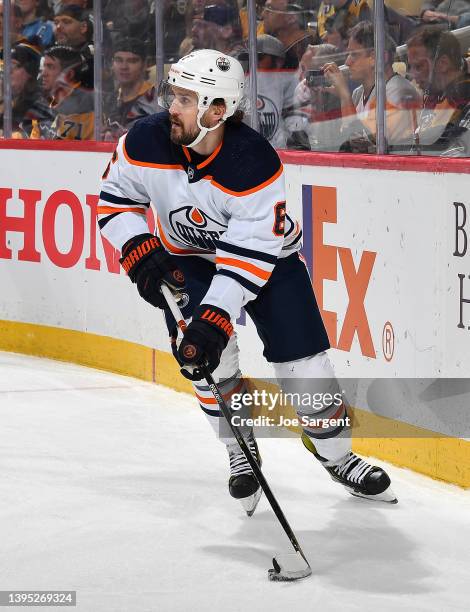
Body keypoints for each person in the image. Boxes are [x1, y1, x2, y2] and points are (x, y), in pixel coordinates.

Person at [97, 49, 397, 511]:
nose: (171, 107)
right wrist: (138, 246)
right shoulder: (144, 140)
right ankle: (240, 451)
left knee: (307, 371)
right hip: (188, 260)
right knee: (206, 361)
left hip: (267, 262)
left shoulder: (253, 162)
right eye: (173, 94)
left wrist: (214, 317)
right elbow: (115, 200)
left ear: (218, 110)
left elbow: (245, 258)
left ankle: (336, 454)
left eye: (185, 98)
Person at [323, 21, 421, 152]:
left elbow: (364, 145)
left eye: (354, 54)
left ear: (374, 58)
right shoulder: (359, 93)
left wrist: (344, 96)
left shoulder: (399, 91)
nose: (347, 62)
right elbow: (345, 141)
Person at [406, 26, 470, 155]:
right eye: (410, 66)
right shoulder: (434, 96)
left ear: (443, 63)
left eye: (418, 66)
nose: (412, 74)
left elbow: (456, 159)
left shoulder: (465, 100)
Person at [239, 34, 300, 148]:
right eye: (249, 58)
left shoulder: (289, 82)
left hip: (280, 153)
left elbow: (295, 123)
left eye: (259, 58)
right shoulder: (243, 82)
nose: (253, 62)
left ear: (279, 61)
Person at [34, 44, 93, 139]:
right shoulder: (43, 104)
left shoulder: (88, 104)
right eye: (44, 67)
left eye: (50, 67)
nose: (43, 73)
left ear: (69, 74)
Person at [103, 37, 157, 140]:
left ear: (145, 64)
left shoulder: (156, 100)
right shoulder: (108, 100)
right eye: (118, 60)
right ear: (112, 64)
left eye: (132, 61)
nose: (124, 67)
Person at [1, 41, 53, 137]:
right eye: (5, 66)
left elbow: (40, 141)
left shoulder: (39, 105)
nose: (7, 71)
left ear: (30, 72)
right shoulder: (9, 100)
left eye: (13, 65)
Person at [262, 0, 315, 69]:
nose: (262, 14)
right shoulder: (279, 48)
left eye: (270, 9)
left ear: (291, 17)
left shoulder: (306, 50)